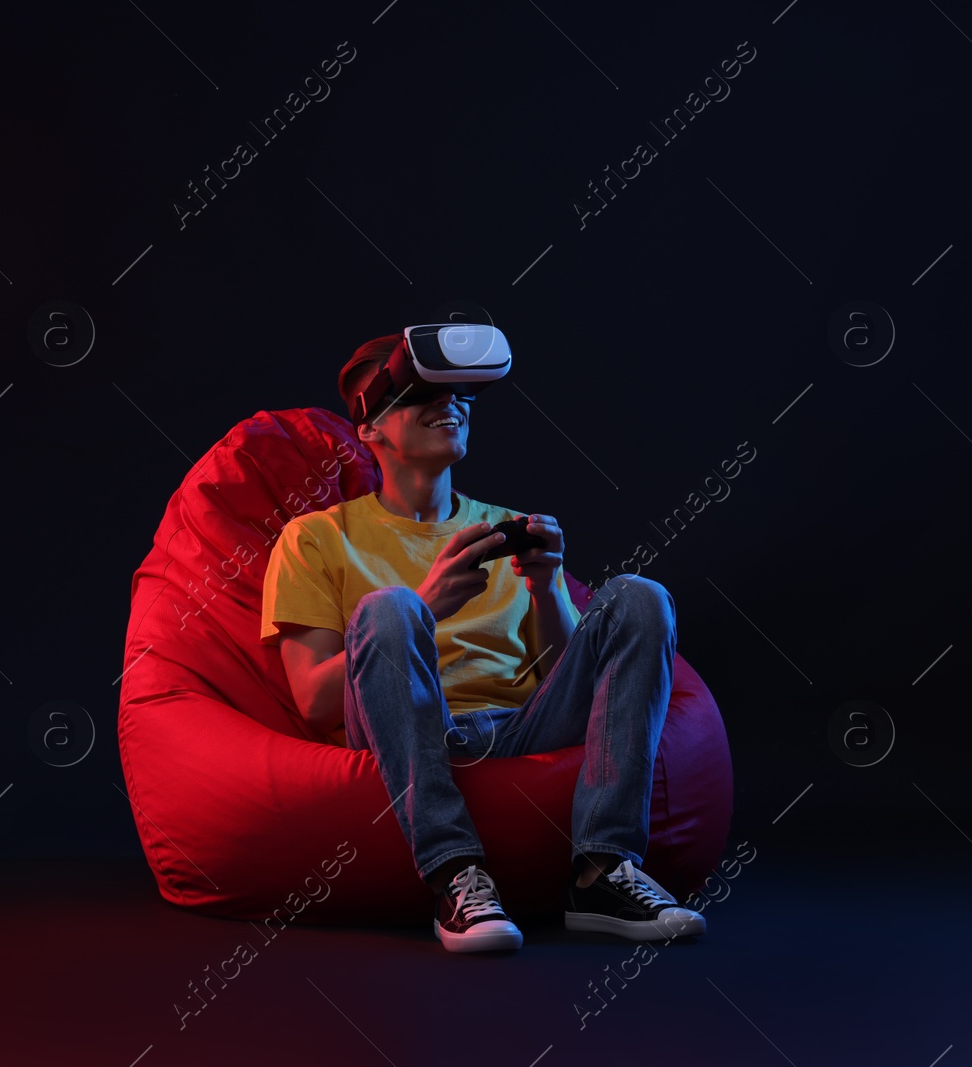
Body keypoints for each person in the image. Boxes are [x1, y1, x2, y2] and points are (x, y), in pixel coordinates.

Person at [257, 332, 707, 953]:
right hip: (407, 727)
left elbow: (558, 676)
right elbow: (314, 701)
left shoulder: (500, 528)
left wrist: (547, 586)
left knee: (640, 594)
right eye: (423, 395)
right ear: (371, 430)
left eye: (461, 392)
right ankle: (453, 875)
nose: (454, 404)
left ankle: (601, 871)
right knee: (388, 607)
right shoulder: (315, 538)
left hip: (520, 725)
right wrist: (427, 603)